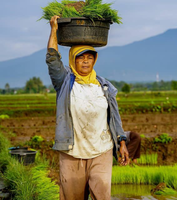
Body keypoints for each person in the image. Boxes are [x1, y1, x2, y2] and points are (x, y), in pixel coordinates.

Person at [46, 15, 129, 200]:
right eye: (80, 57)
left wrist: (121, 142)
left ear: (95, 60)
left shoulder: (105, 86)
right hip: (72, 151)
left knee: (102, 194)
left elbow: (115, 117)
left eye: (90, 57)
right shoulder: (64, 82)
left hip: (102, 150)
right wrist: (53, 29)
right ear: (72, 60)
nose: (85, 61)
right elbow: (52, 59)